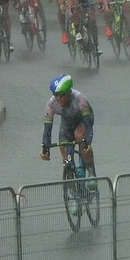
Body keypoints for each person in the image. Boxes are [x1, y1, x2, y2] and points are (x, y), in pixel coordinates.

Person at [40, 74, 97, 203]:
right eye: (56, 94)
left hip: (83, 121)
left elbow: (88, 125)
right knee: (65, 153)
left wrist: (87, 142)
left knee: (80, 136)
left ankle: (91, 171)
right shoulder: (51, 104)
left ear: (69, 92)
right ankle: (75, 195)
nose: (58, 98)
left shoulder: (80, 99)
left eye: (62, 94)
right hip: (67, 124)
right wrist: (45, 148)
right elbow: (47, 130)